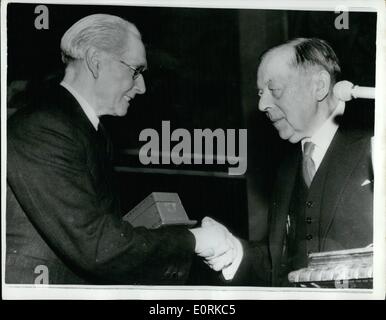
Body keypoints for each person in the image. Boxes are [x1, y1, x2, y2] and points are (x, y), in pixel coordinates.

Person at [6, 14, 232, 285]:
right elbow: (96, 246)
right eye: (135, 71)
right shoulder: (45, 128)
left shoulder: (87, 130)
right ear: (95, 61)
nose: (142, 87)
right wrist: (195, 240)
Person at [204, 38, 373, 286]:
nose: (262, 105)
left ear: (319, 85)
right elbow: (283, 267)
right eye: (261, 94)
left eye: (275, 90)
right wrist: (234, 252)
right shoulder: (287, 167)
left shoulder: (375, 142)